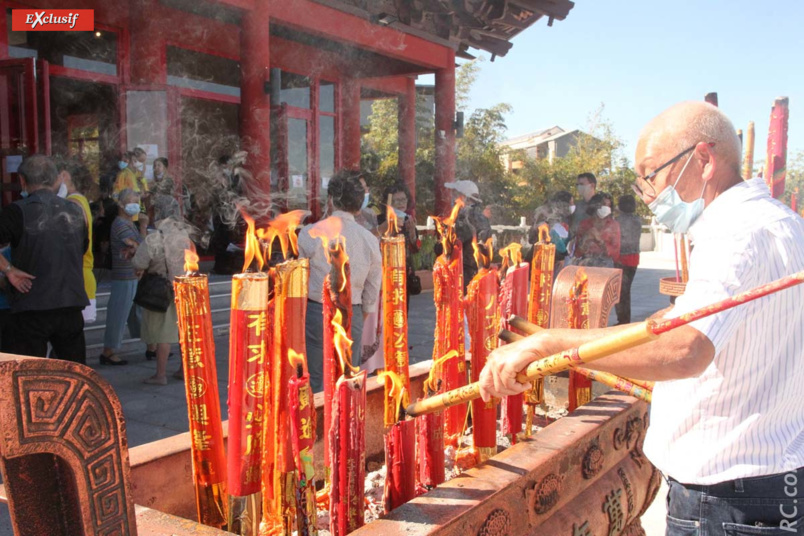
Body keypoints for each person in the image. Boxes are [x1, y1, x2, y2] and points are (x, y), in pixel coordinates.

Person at [479, 101, 804, 533]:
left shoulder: (735, 232)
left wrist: (551, 345)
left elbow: (685, 346)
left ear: (703, 160)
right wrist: (561, 337)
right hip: (774, 476)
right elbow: (679, 321)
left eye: (651, 174)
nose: (648, 193)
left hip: (728, 497)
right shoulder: (783, 222)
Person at [299, 171, 382, 392]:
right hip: (352, 313)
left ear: (331, 200)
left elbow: (298, 280)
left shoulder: (309, 233)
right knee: (347, 376)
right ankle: (347, 423)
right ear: (358, 206)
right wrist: (359, 316)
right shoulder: (370, 240)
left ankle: (319, 423)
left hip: (317, 312)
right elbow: (372, 291)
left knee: (317, 377)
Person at [0, 155, 89, 362]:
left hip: (33, 303)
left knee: (30, 376)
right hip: (69, 303)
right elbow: (81, 249)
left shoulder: (17, 211)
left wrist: (8, 270)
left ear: (22, 180)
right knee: (73, 374)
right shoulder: (75, 210)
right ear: (56, 179)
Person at [132, 201, 191, 384]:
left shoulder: (154, 238)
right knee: (182, 332)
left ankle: (160, 374)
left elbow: (139, 263)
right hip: (183, 287)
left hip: (160, 290)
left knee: (163, 333)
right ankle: (184, 370)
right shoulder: (184, 236)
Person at [99, 189, 144, 366]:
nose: (136, 206)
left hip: (132, 274)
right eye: (132, 202)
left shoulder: (128, 222)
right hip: (123, 276)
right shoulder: (120, 224)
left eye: (137, 202)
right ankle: (108, 351)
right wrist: (142, 227)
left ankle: (152, 346)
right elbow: (137, 246)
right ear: (121, 204)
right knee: (118, 314)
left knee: (136, 314)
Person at [57, 158, 99, 324]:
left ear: (64, 176)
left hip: (76, 279)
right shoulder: (78, 200)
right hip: (76, 278)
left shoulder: (72, 203)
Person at [443, 180, 492, 289]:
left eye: (455, 195)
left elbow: (449, 247)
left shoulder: (463, 219)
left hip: (462, 273)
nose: (453, 198)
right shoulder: (483, 218)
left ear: (465, 198)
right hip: (479, 273)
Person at [574, 192, 620, 268]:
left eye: (608, 205)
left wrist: (600, 241)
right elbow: (577, 253)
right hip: (586, 264)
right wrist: (586, 239)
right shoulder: (584, 224)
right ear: (595, 205)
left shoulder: (614, 225)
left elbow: (615, 254)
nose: (606, 208)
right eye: (603, 204)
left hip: (605, 266)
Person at [615, 194, 642, 324]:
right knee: (626, 290)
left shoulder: (617, 221)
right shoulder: (638, 220)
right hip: (634, 258)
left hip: (621, 258)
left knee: (621, 291)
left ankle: (623, 320)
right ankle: (625, 319)